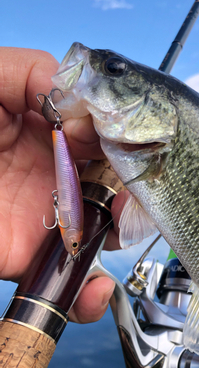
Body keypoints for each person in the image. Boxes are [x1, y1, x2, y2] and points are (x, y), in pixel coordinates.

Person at [0, 46, 126, 323]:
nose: (73, 246)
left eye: (75, 244)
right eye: (75, 244)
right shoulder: (71, 227)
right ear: (74, 236)